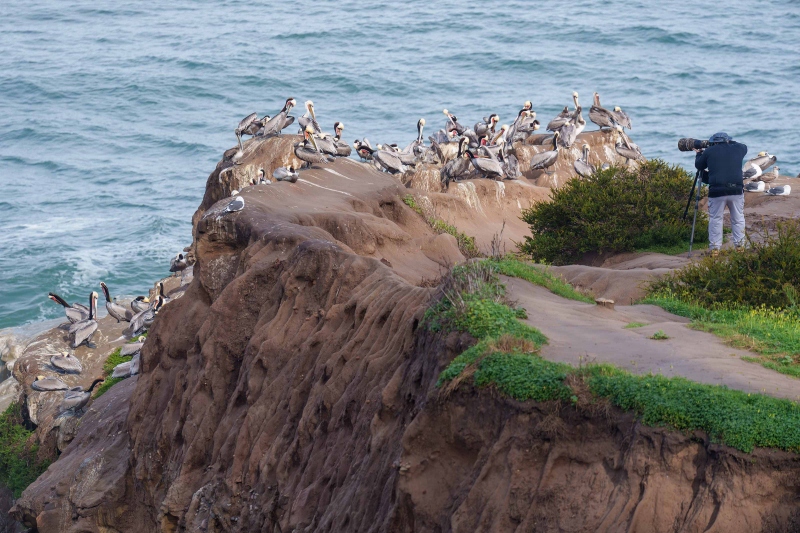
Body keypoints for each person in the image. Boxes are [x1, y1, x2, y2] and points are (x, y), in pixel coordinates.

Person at [694, 132, 747, 256]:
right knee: (738, 218)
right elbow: (743, 146)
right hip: (736, 190)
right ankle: (740, 246)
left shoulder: (709, 151)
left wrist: (698, 154)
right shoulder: (739, 148)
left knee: (716, 219)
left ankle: (715, 249)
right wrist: (729, 143)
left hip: (717, 191)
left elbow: (699, 166)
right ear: (727, 141)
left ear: (714, 142)